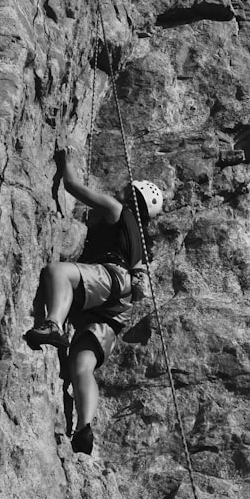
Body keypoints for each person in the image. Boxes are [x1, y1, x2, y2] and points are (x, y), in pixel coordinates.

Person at [23, 147, 164, 454]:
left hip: (110, 278)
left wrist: (64, 159)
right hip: (116, 307)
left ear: (131, 195)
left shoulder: (117, 210)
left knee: (58, 272)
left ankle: (54, 325)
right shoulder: (138, 240)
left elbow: (73, 186)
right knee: (82, 365)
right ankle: (85, 429)